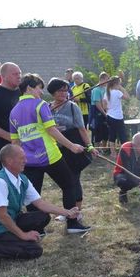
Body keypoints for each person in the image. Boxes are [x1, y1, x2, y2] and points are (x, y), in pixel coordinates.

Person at [9, 73, 90, 233]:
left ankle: (37, 229)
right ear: (30, 88)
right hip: (51, 156)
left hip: (29, 161)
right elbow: (51, 130)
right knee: (69, 185)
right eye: (39, 88)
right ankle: (72, 224)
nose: (41, 92)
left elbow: (15, 142)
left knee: (33, 195)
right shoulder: (40, 105)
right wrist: (72, 146)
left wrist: (18, 162)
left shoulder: (13, 112)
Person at [0, 145, 81, 259]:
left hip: (12, 220)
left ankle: (12, 237)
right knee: (34, 250)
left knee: (43, 217)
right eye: (22, 158)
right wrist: (23, 235)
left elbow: (40, 204)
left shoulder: (22, 179)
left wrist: (67, 212)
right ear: (10, 161)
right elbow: (2, 217)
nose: (25, 161)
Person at [48, 78, 98, 213]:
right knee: (65, 182)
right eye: (60, 91)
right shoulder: (47, 107)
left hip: (73, 148)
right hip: (56, 149)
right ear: (53, 92)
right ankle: (68, 211)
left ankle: (77, 211)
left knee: (73, 179)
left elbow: (82, 128)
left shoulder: (72, 107)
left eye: (65, 90)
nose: (64, 93)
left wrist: (90, 146)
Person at [0, 62, 21, 170]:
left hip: (23, 144)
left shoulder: (22, 92)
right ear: (3, 76)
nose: (19, 76)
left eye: (20, 73)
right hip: (3, 146)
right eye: (15, 74)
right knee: (8, 178)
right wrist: (11, 137)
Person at [103, 76, 129, 157]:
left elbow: (104, 105)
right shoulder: (117, 92)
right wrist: (122, 88)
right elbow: (128, 97)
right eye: (119, 84)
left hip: (109, 116)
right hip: (118, 117)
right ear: (116, 84)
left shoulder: (107, 92)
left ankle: (113, 153)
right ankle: (125, 152)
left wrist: (108, 110)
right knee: (122, 135)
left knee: (112, 134)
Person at [91, 72, 110, 150]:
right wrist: (104, 113)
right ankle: (96, 149)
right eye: (107, 79)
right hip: (98, 113)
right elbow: (97, 104)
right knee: (98, 132)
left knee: (106, 131)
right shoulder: (96, 90)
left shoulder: (106, 89)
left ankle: (104, 148)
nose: (108, 81)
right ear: (102, 79)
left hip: (106, 111)